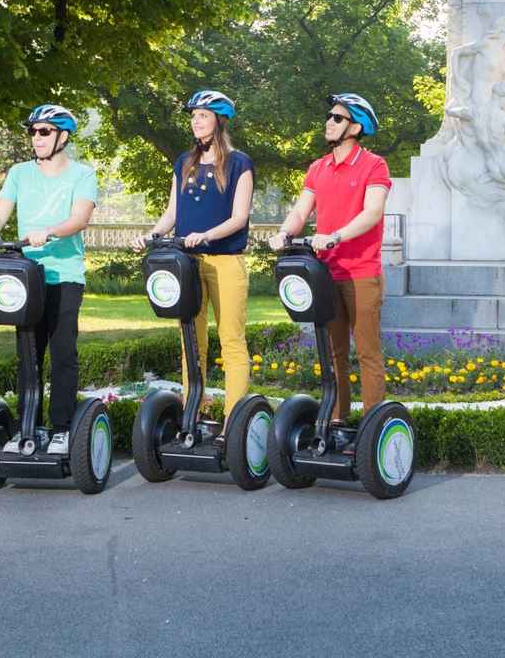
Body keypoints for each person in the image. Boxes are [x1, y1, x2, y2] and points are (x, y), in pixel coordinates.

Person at [0, 104, 96, 455]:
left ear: (62, 136)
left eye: (44, 132)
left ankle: (63, 428)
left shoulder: (82, 175)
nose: (36, 138)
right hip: (27, 276)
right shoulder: (20, 173)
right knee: (28, 353)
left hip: (64, 275)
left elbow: (80, 218)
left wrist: (49, 232)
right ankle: (29, 426)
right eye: (33, 132)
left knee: (62, 351)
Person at [132, 90, 255, 423]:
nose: (195, 121)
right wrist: (152, 234)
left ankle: (235, 421)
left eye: (202, 115)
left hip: (226, 261)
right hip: (186, 263)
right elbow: (172, 211)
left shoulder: (239, 163)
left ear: (219, 120)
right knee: (191, 343)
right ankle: (193, 415)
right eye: (193, 116)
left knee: (231, 340)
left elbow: (239, 217)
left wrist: (207, 235)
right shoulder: (183, 163)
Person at [269, 93, 391, 421]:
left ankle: (372, 427)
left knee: (367, 353)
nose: (329, 122)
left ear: (356, 126)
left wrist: (336, 236)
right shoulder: (318, 168)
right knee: (334, 352)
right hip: (326, 273)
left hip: (362, 272)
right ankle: (337, 421)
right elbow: (300, 210)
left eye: (337, 118)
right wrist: (284, 233)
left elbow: (373, 212)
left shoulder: (374, 165)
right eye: (330, 116)